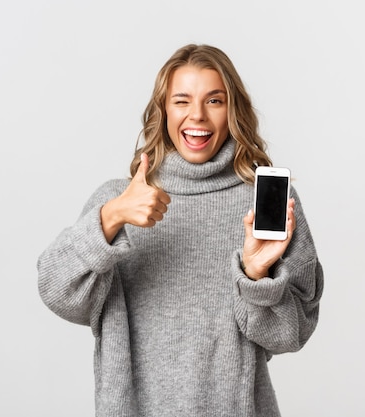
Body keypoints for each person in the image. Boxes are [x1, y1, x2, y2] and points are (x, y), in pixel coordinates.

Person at [37, 43, 324, 417]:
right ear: (164, 111)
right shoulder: (120, 200)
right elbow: (56, 292)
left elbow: (291, 334)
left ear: (233, 110)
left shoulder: (265, 203)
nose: (198, 116)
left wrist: (255, 277)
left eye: (215, 101)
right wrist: (110, 217)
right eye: (182, 101)